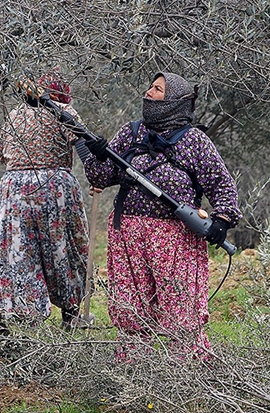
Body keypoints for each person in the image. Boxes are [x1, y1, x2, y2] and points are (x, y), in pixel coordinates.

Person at [79, 72, 241, 360]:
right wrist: (97, 153)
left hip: (176, 238)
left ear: (175, 101)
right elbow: (101, 176)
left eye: (157, 89)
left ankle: (186, 375)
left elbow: (221, 184)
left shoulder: (195, 141)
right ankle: (134, 373)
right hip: (127, 233)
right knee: (132, 306)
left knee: (181, 308)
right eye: (150, 87)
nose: (148, 92)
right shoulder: (131, 133)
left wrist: (222, 220)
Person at [0, 70, 92, 330]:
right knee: (64, 248)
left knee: (20, 251)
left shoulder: (13, 115)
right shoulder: (63, 111)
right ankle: (71, 314)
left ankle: (27, 319)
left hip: (14, 190)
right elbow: (83, 144)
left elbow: (2, 155)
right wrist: (96, 176)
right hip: (55, 188)